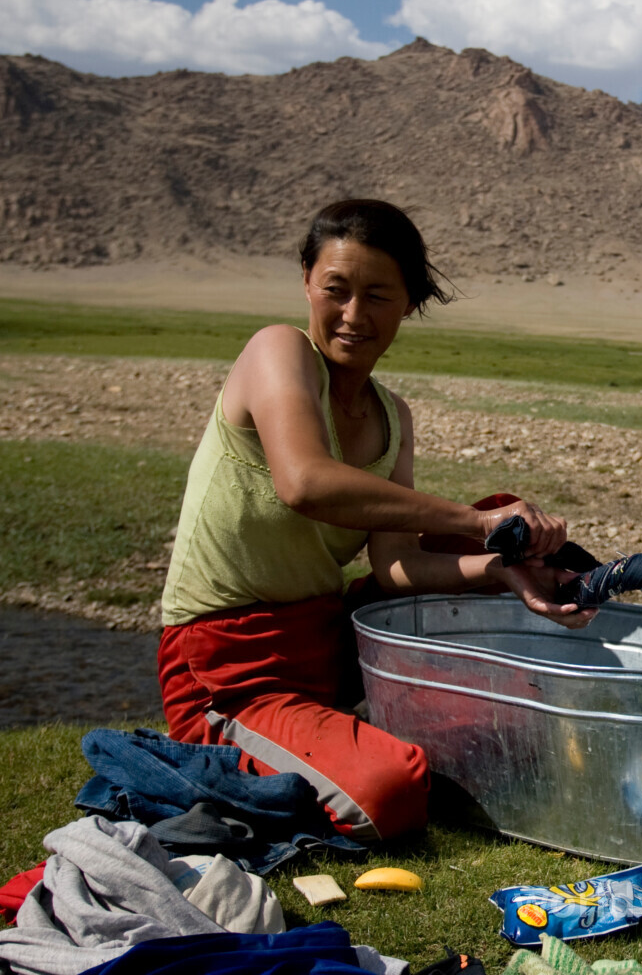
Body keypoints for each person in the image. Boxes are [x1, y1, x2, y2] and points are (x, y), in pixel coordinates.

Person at [157, 199, 594, 843]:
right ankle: (240, 761)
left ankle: (345, 733)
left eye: (379, 296)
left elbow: (395, 568)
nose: (354, 315)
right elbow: (304, 482)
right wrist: (480, 528)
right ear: (306, 280)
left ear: (409, 304)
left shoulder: (393, 415)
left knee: (491, 527)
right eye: (336, 289)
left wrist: (502, 571)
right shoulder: (278, 351)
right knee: (388, 794)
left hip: (329, 644)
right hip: (230, 671)